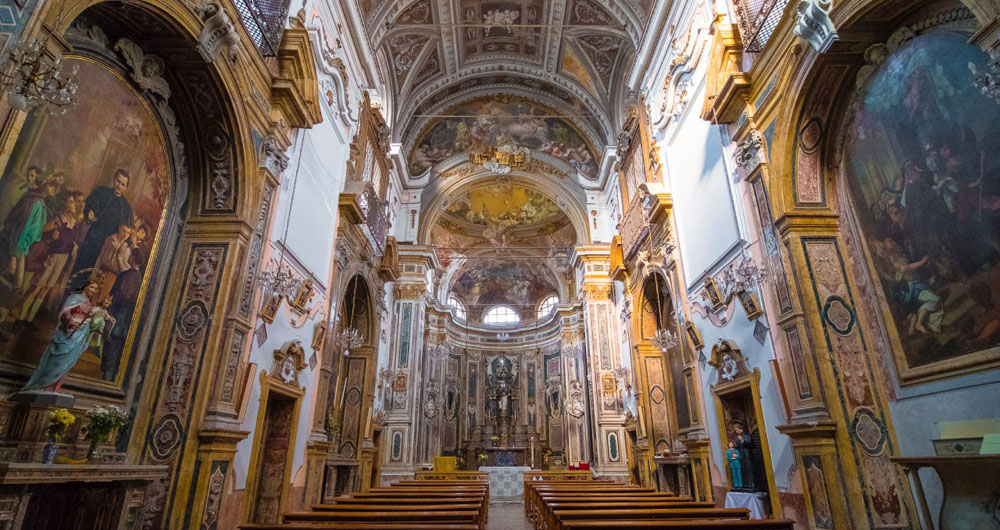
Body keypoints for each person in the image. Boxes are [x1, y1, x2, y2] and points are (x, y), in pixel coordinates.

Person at [20, 278, 104, 394]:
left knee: (68, 362)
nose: (94, 290)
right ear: (85, 286)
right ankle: (43, 384)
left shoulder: (88, 303)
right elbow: (65, 312)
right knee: (58, 359)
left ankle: (55, 387)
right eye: (92, 287)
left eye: (96, 289)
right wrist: (70, 321)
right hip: (68, 332)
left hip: (80, 333)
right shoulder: (74, 298)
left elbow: (88, 317)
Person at [17, 191, 83, 327]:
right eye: (71, 202)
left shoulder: (74, 222)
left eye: (74, 202)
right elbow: (41, 231)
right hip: (52, 256)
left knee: (45, 289)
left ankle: (29, 319)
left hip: (63, 259)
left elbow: (71, 239)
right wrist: (52, 234)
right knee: (37, 287)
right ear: (64, 204)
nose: (74, 205)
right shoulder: (58, 219)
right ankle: (20, 319)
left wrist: (74, 245)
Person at [70, 169, 133, 288]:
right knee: (81, 269)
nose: (119, 186)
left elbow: (128, 229)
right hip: (94, 238)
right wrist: (89, 213)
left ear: (126, 187)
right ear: (114, 180)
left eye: (123, 184)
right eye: (118, 181)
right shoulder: (101, 192)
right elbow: (87, 206)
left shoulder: (126, 208)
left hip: (109, 246)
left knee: (96, 278)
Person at [0, 178, 59, 290]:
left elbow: (35, 229)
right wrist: (14, 257)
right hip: (18, 247)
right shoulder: (34, 202)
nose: (54, 188)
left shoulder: (41, 203)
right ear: (43, 184)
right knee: (16, 285)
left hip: (23, 247)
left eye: (55, 185)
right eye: (51, 185)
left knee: (16, 285)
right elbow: (21, 229)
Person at [733, 422, 756, 490]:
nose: (736, 432)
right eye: (735, 430)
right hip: (740, 456)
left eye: (737, 430)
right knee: (742, 470)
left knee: (748, 469)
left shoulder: (747, 436)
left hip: (747, 456)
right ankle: (743, 484)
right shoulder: (736, 437)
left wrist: (743, 440)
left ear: (741, 429)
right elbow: (736, 446)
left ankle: (751, 484)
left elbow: (752, 445)